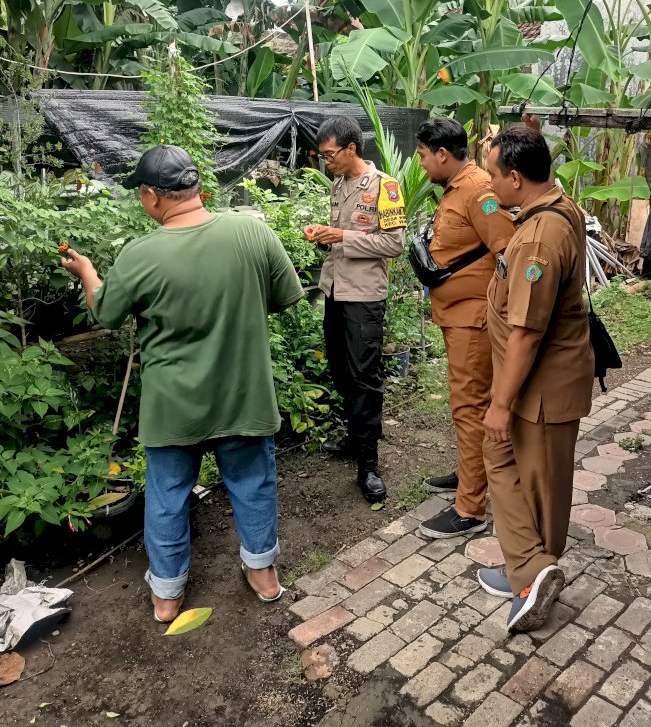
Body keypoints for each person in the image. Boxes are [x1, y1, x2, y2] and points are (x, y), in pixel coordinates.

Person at [61, 144, 304, 623]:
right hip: (243, 396)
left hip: (173, 406)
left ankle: (168, 596)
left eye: (140, 195)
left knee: (168, 496)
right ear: (196, 188)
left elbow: (105, 313)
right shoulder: (252, 231)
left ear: (152, 196)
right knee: (254, 485)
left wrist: (87, 271)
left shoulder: (141, 254)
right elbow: (283, 297)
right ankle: (263, 575)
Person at [476, 125, 594, 633]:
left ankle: (534, 582)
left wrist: (499, 404)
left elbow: (525, 332)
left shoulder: (541, 238)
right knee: (501, 459)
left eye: (494, 176)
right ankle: (528, 563)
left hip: (542, 389)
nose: (490, 186)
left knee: (541, 484)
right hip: (529, 384)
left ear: (518, 178)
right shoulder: (548, 206)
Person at [415, 118, 514, 539]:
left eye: (422, 156)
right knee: (467, 406)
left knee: (470, 407)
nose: (420, 165)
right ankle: (469, 474)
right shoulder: (457, 189)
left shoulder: (479, 192)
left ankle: (471, 508)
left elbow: (508, 250)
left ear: (442, 154)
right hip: (456, 315)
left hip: (473, 321)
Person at [303, 116, 406, 504]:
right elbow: (341, 241)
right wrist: (322, 237)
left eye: (329, 154)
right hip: (335, 292)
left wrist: (342, 236)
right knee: (341, 370)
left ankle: (369, 464)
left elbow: (393, 244)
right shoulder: (338, 185)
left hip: (364, 297)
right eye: (322, 155)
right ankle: (353, 438)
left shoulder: (385, 188)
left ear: (351, 149)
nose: (325, 161)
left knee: (364, 377)